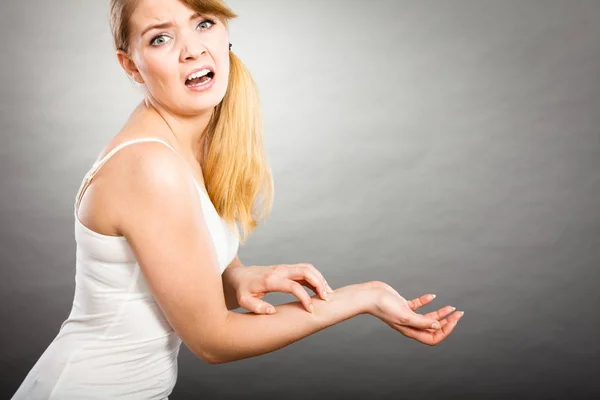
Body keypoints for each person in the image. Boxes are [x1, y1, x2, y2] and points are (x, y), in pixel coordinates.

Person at [12, 0, 465, 398]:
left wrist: (239, 277)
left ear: (225, 31)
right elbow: (212, 340)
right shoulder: (151, 166)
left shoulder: (187, 139)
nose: (192, 48)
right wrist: (364, 296)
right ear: (130, 66)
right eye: (161, 38)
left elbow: (165, 280)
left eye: (203, 22)